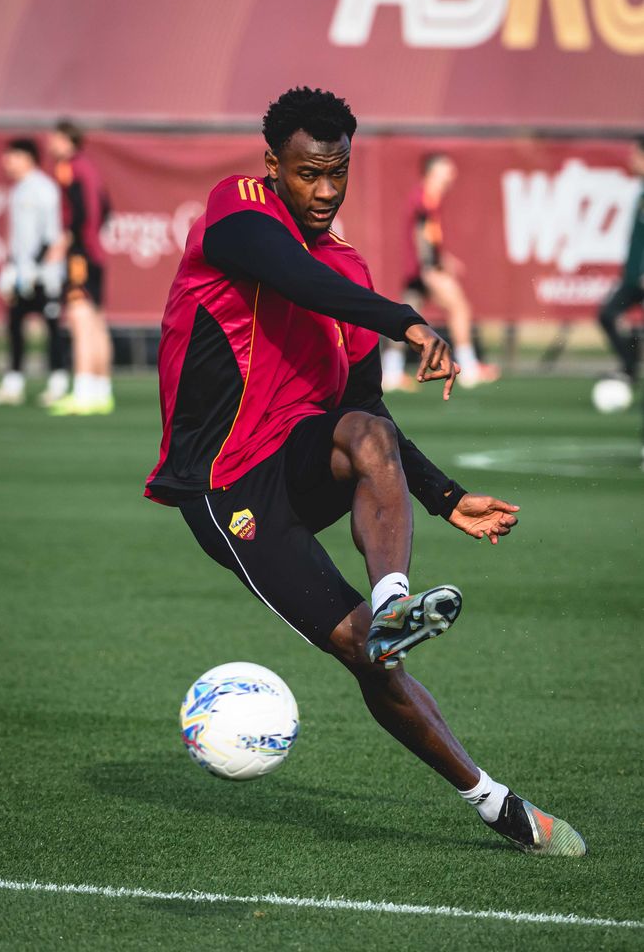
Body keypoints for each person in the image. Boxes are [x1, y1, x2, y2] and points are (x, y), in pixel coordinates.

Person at [146, 88, 585, 857]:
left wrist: (445, 497)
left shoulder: (346, 267)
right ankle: (496, 804)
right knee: (360, 655)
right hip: (227, 489)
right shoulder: (238, 208)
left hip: (300, 464)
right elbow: (290, 274)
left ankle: (392, 601)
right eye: (308, 173)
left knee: (365, 432)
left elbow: (370, 417)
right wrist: (406, 320)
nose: (323, 191)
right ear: (273, 166)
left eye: (337, 173)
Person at [382, 153, 500, 392]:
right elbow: (421, 234)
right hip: (426, 269)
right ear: (432, 172)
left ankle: (391, 372)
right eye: (447, 170)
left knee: (406, 317)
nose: (452, 175)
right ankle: (468, 367)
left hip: (419, 267)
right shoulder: (424, 197)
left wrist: (444, 259)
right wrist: (431, 266)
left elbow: (427, 236)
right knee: (459, 307)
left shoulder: (429, 197)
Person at [0, 138, 68, 408]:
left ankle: (58, 383)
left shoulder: (45, 189)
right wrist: (11, 267)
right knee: (14, 325)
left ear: (28, 158)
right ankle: (13, 384)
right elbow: (19, 238)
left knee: (52, 327)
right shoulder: (17, 190)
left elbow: (51, 235)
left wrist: (33, 267)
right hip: (21, 272)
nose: (6, 161)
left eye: (13, 156)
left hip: (46, 274)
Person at [45, 120, 114, 415]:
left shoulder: (69, 167)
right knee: (97, 320)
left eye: (55, 137)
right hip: (94, 252)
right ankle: (101, 392)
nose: (50, 143)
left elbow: (79, 212)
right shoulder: (89, 167)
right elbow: (105, 207)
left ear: (66, 141)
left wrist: (66, 242)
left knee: (79, 317)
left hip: (80, 255)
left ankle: (84, 391)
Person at [598, 137, 644, 385]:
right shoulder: (640, 190)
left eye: (636, 156)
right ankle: (629, 368)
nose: (631, 161)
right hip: (634, 276)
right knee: (608, 314)